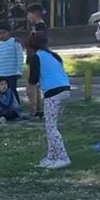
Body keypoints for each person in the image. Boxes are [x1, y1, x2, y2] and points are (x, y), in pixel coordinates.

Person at [27, 32, 72, 169]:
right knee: (50, 124)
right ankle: (51, 156)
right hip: (65, 89)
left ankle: (63, 157)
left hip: (52, 92)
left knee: (51, 127)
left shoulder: (36, 57)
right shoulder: (54, 56)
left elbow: (33, 79)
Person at [0, 28, 26, 104]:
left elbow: (20, 56)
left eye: (4, 32)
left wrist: (19, 70)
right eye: (0, 33)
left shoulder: (15, 42)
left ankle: (16, 107)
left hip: (12, 72)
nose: (2, 35)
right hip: (2, 73)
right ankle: (3, 107)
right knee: (1, 91)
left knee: (12, 90)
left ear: (9, 32)